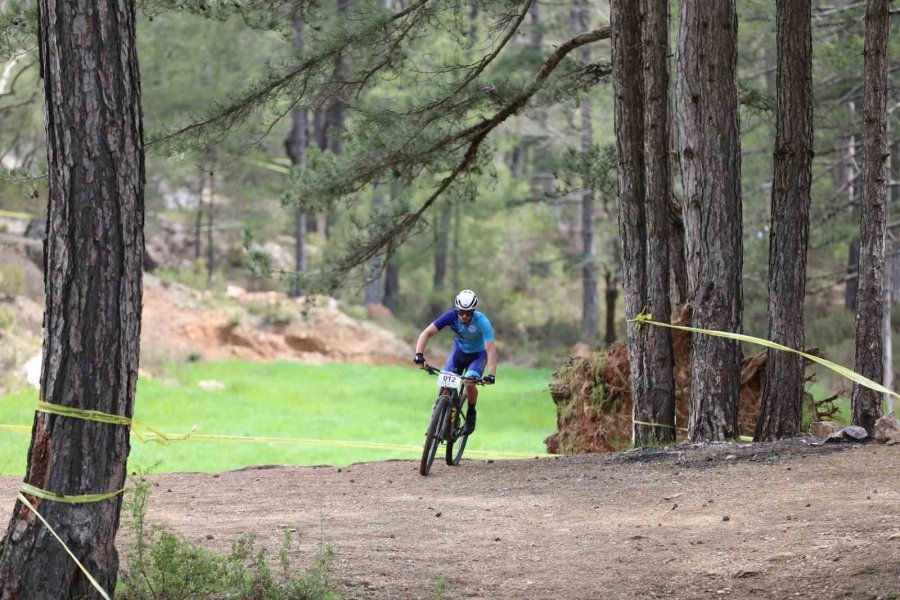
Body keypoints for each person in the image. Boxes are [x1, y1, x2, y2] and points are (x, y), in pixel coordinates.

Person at [414, 289, 496, 435]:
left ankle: (471, 413)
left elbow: (490, 349)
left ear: (474, 311)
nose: (464, 316)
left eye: (469, 312)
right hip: (458, 353)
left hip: (477, 356)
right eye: (461, 312)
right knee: (446, 382)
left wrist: (491, 374)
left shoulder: (482, 322)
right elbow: (426, 333)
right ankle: (442, 411)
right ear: (457, 309)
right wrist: (419, 354)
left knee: (469, 384)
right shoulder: (450, 316)